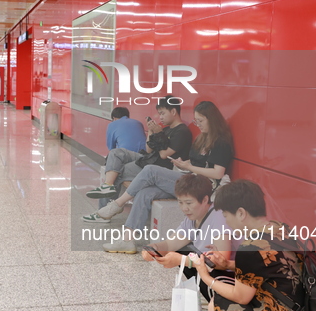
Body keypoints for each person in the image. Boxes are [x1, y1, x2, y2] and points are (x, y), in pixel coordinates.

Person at [196, 180, 316, 311]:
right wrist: (228, 265)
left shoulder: (249, 248)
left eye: (226, 215)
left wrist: (206, 277)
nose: (226, 222)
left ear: (241, 213)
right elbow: (268, 266)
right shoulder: (281, 228)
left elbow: (240, 297)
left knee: (216, 305)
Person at [98, 101, 234, 253]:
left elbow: (218, 173)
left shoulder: (221, 142)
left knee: (150, 170)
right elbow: (197, 162)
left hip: (203, 185)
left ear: (212, 119)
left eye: (201, 121)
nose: (198, 125)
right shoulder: (202, 138)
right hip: (190, 177)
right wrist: (184, 163)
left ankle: (117, 204)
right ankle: (127, 240)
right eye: (196, 121)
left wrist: (189, 167)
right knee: (145, 192)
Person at [142, 174, 237, 311]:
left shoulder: (219, 217)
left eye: (189, 203)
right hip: (214, 270)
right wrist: (154, 248)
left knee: (186, 258)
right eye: (180, 202)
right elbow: (171, 243)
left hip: (234, 277)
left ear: (205, 200)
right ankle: (214, 302)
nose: (184, 208)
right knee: (181, 251)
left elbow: (221, 261)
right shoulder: (191, 219)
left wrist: (183, 260)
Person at [83, 97, 192, 222]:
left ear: (173, 111)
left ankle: (103, 212)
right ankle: (107, 187)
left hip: (159, 166)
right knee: (116, 153)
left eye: (162, 113)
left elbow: (164, 155)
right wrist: (151, 132)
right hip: (148, 158)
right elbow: (148, 150)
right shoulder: (166, 129)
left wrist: (158, 134)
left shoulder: (182, 132)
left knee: (117, 172)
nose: (160, 117)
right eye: (159, 113)